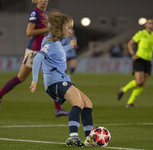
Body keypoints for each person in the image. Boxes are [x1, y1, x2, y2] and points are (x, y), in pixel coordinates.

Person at [0, 0, 70, 117]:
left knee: (54, 76)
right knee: (21, 77)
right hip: (34, 51)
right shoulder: (35, 13)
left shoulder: (45, 14)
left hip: (45, 50)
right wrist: (47, 29)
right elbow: (29, 32)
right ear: (36, 0)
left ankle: (58, 109)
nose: (43, 1)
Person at [29, 10, 93, 147]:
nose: (70, 31)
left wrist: (68, 47)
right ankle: (73, 136)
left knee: (88, 104)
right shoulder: (50, 42)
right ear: (60, 27)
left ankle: (90, 139)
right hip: (55, 81)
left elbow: (57, 51)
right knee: (78, 103)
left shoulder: (56, 42)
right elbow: (38, 57)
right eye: (68, 28)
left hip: (61, 79)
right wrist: (35, 79)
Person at [117, 18, 153, 108]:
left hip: (148, 61)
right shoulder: (141, 34)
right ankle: (123, 89)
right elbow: (130, 43)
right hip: (139, 59)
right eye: (150, 23)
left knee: (142, 84)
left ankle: (130, 102)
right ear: (146, 25)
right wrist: (132, 54)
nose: (151, 25)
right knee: (139, 82)